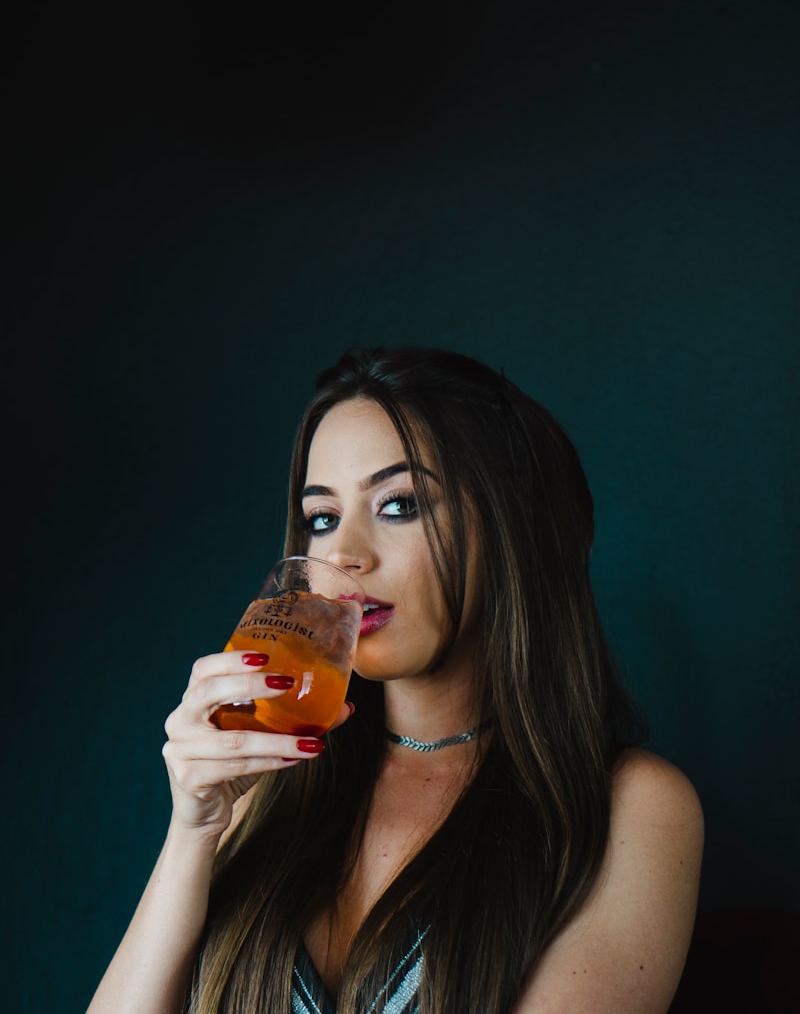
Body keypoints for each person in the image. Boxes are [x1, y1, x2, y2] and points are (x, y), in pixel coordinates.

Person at [86, 345, 704, 1014]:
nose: (343, 554)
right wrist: (192, 832)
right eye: (322, 519)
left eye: (400, 505)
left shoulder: (629, 808)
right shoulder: (266, 782)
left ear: (511, 527)